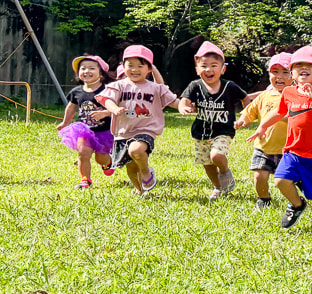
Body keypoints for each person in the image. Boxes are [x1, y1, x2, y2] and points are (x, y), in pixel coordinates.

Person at [246, 46, 312, 229]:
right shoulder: (289, 92)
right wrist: (263, 126)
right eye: (298, 65)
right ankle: (297, 205)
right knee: (281, 180)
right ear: (292, 73)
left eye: (310, 65)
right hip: (294, 150)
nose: (304, 67)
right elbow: (279, 111)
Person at [97, 45, 180, 195]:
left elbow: (173, 101)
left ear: (149, 69)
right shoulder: (118, 85)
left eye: (140, 66)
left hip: (145, 130)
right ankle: (141, 190)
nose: (134, 69)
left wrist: (184, 107)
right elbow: (108, 100)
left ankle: (146, 172)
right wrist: (114, 108)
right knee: (130, 167)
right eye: (130, 65)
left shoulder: (156, 88)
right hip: (123, 132)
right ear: (123, 66)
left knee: (135, 149)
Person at [178, 41, 249, 200]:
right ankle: (218, 187)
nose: (208, 69)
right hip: (200, 133)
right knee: (207, 164)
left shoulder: (229, 86)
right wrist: (183, 107)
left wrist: (246, 115)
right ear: (197, 70)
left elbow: (246, 99)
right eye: (203, 66)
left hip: (223, 131)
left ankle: (225, 172)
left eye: (214, 65)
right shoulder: (195, 85)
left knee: (216, 156)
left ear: (223, 69)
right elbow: (184, 100)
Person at [234, 53, 293, 208]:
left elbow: (300, 118)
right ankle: (264, 199)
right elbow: (249, 111)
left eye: (285, 72)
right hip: (264, 147)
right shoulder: (264, 96)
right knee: (260, 176)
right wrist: (242, 121)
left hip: (290, 149)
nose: (279, 76)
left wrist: (281, 117)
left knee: (291, 180)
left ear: (294, 75)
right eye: (275, 72)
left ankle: (295, 201)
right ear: (269, 74)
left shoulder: (296, 96)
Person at [56, 55, 116, 189]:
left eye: (92, 68)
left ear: (101, 73)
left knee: (100, 158)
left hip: (104, 130)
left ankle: (108, 163)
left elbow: (116, 106)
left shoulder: (107, 90)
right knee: (83, 153)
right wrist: (65, 123)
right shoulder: (76, 92)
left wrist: (105, 113)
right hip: (84, 129)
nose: (86, 71)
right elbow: (71, 107)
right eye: (83, 68)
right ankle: (85, 179)